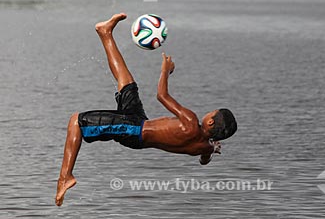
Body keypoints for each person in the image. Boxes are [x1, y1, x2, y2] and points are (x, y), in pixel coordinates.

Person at [55, 13, 237, 206]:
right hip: (139, 124)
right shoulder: (204, 146)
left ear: (210, 121)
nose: (208, 112)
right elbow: (204, 160)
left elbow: (162, 96)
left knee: (77, 121)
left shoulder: (191, 122)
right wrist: (212, 148)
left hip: (133, 130)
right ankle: (105, 32)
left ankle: (65, 176)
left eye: (212, 112)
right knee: (126, 83)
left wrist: (166, 70)